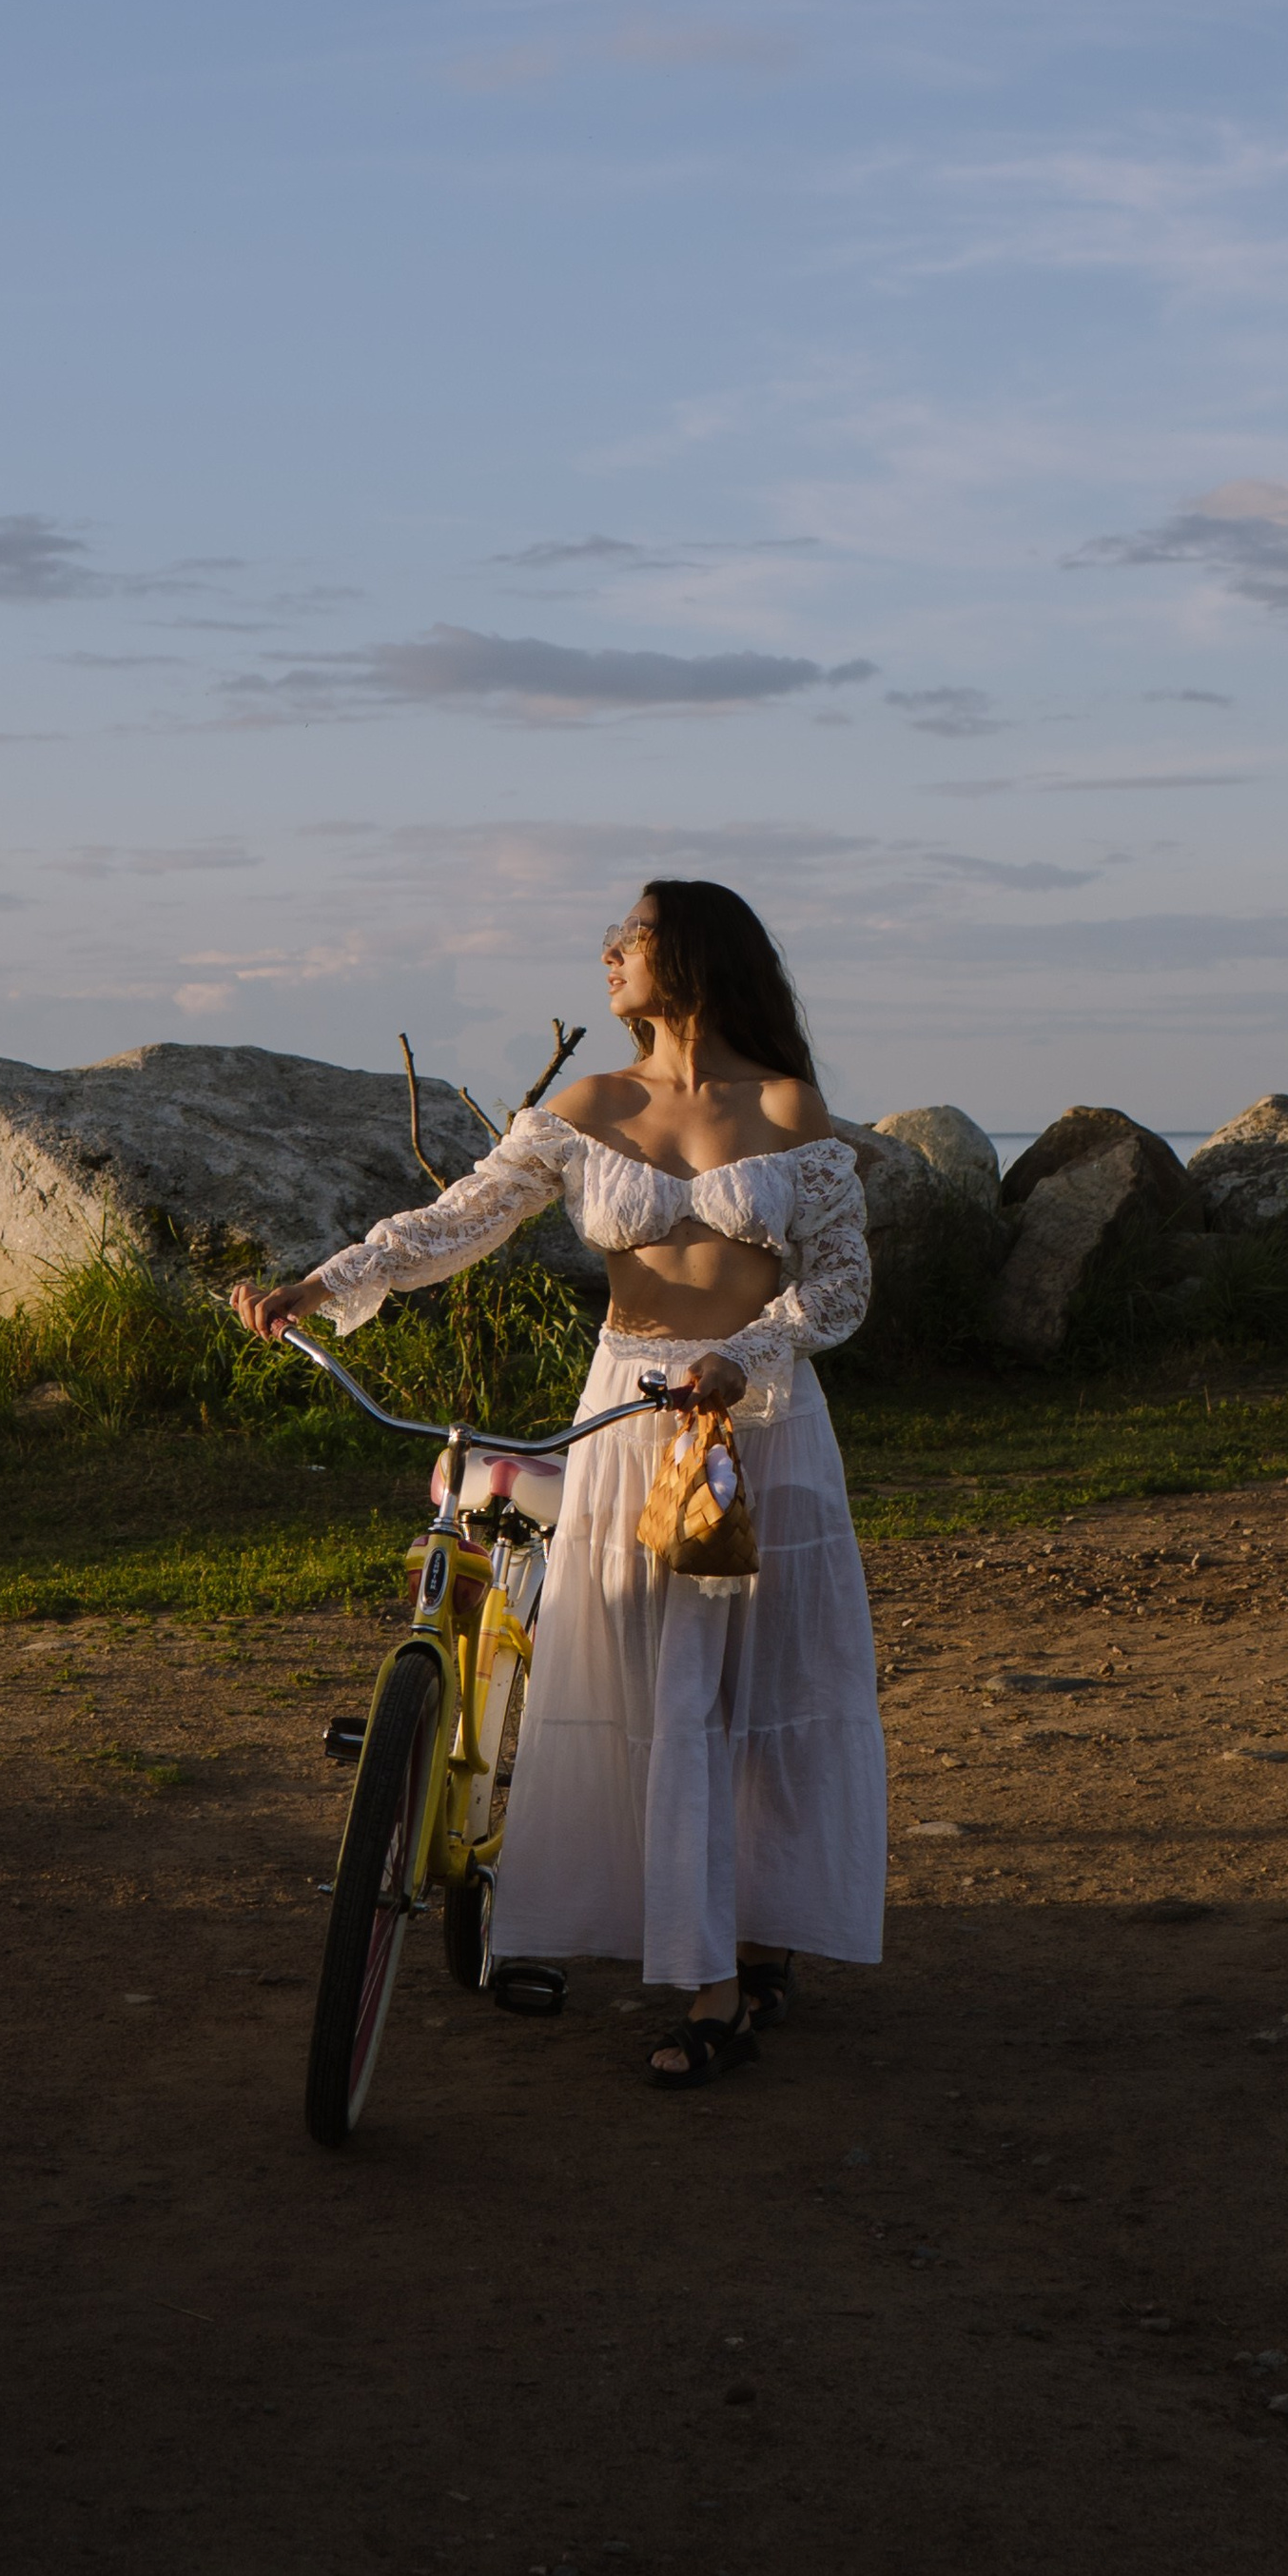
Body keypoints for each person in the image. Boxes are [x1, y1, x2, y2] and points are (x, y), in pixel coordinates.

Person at [231, 878, 888, 2090]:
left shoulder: (787, 1106)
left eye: (628, 936)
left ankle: (736, 1967)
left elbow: (839, 1284)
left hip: (756, 1424)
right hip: (628, 1418)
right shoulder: (589, 1105)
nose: (608, 954)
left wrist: (740, 1360)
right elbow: (454, 1220)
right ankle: (710, 1971)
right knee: (661, 1688)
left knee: (757, 1692)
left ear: (688, 951)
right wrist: (319, 1288)